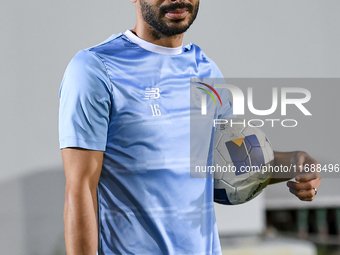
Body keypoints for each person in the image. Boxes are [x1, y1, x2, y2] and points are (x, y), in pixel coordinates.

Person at [59, 0, 321, 254]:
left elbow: (231, 167)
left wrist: (295, 163)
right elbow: (80, 188)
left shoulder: (205, 70)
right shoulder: (95, 68)